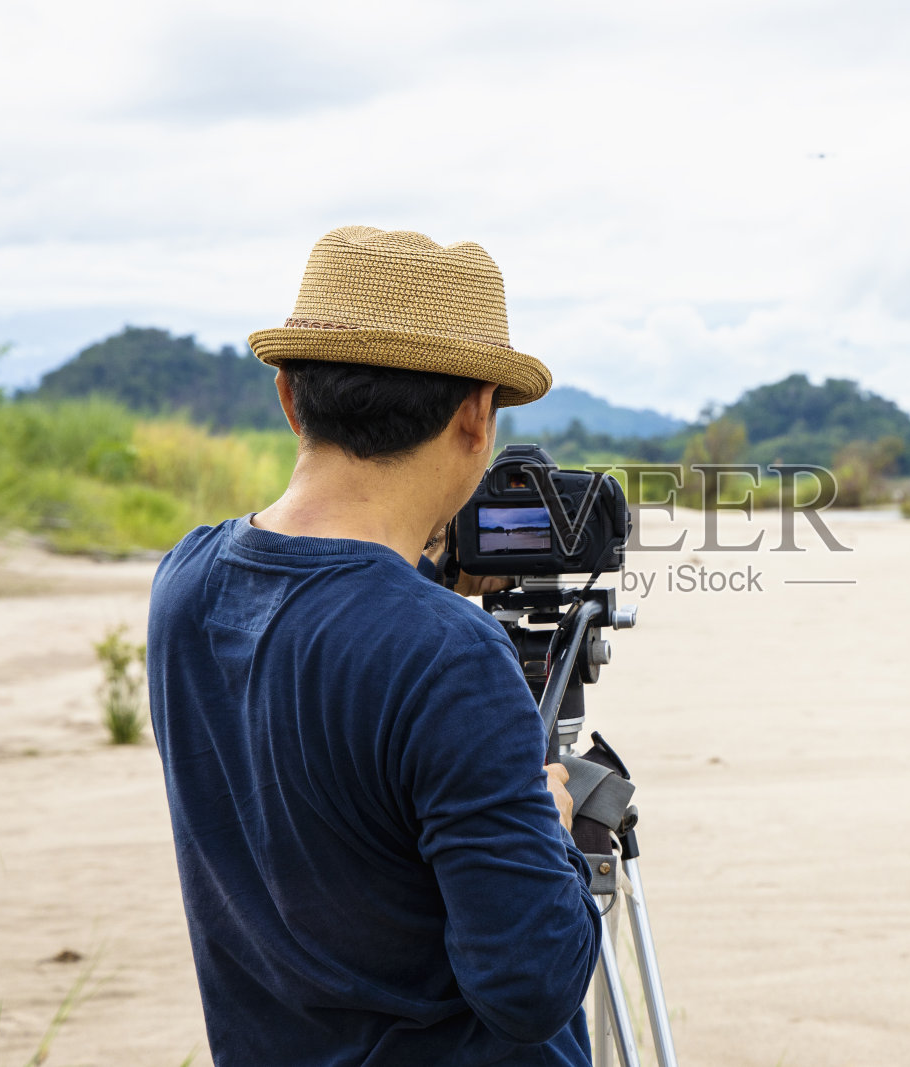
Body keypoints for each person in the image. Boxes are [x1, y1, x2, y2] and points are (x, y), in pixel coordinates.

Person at [147, 226, 601, 1066]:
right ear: (476, 415)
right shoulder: (449, 655)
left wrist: (426, 577)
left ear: (289, 396)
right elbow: (530, 986)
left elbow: (330, 623)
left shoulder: (186, 581)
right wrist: (553, 825)